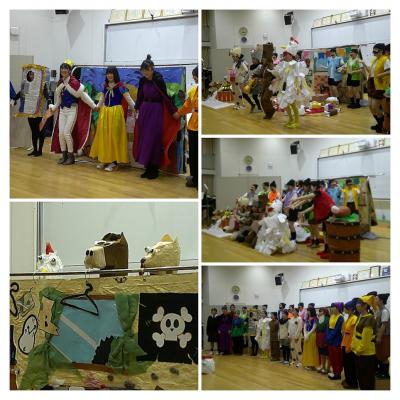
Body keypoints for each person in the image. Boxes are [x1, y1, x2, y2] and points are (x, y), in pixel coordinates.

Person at [133, 55, 180, 180]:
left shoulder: (158, 80)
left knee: (153, 139)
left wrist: (173, 112)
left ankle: (154, 170)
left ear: (152, 69)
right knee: (144, 139)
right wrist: (136, 107)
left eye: (147, 70)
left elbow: (165, 97)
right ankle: (147, 168)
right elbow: (140, 95)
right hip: (145, 110)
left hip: (156, 111)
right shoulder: (142, 81)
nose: (145, 73)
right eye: (143, 70)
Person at [50, 60, 97, 165]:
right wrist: (53, 107)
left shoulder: (75, 83)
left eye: (66, 68)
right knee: (61, 134)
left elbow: (83, 96)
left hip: (72, 110)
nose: (63, 70)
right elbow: (59, 100)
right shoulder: (60, 83)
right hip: (62, 111)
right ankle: (64, 155)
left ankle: (71, 157)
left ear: (69, 70)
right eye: (62, 68)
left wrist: (93, 106)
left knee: (67, 133)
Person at [89, 66, 135, 172]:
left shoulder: (121, 86)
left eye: (111, 73)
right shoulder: (105, 86)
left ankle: (114, 162)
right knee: (104, 137)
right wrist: (97, 107)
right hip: (105, 113)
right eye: (108, 73)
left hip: (116, 113)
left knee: (114, 137)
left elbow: (129, 100)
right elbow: (102, 99)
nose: (109, 75)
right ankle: (105, 159)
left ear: (115, 74)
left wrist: (136, 108)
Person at [269, 37, 312, 128]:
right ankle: (291, 119)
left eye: (286, 55)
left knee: (292, 104)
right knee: (284, 103)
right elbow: (281, 75)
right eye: (284, 55)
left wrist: (298, 87)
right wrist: (276, 78)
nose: (284, 56)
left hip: (292, 88)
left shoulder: (296, 64)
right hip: (284, 87)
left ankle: (297, 121)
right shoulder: (284, 64)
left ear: (291, 55)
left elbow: (299, 76)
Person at [13, 69, 49, 157]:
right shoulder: (27, 84)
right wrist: (14, 99)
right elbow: (21, 93)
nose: (31, 76)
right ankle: (35, 150)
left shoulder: (42, 84)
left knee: (40, 131)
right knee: (33, 131)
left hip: (39, 112)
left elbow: (46, 96)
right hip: (30, 111)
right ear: (28, 76)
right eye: (30, 75)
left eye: (33, 74)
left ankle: (40, 151)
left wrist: (47, 105)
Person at [173, 66, 198, 188]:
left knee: (195, 153)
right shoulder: (193, 90)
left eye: (195, 76)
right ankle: (194, 176)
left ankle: (196, 179)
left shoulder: (197, 90)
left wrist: (178, 114)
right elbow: (187, 106)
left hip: (197, 125)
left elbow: (187, 106)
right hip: (193, 124)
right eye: (194, 77)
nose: (194, 79)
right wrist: (178, 113)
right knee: (193, 153)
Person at [361, 43, 389, 133]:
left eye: (375, 51)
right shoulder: (374, 60)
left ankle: (383, 125)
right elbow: (370, 71)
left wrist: (380, 75)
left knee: (375, 107)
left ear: (381, 51)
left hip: (379, 85)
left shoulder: (385, 59)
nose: (374, 52)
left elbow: (390, 70)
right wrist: (364, 64)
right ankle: (379, 124)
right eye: (373, 51)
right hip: (371, 83)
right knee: (370, 107)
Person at [352, 295, 377, 390]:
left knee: (367, 379)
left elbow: (366, 340)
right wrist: (353, 346)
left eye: (359, 303)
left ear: (365, 305)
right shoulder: (360, 316)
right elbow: (355, 333)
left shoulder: (369, 318)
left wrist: (358, 351)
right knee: (361, 377)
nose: (356, 305)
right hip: (358, 352)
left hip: (366, 354)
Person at [341, 299, 359, 389]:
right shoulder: (349, 317)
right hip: (345, 342)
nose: (344, 310)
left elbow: (353, 334)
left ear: (351, 309)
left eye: (346, 308)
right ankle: (348, 380)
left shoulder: (354, 318)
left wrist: (349, 346)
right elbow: (344, 331)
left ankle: (352, 383)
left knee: (350, 365)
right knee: (346, 364)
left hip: (349, 344)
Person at [326, 302, 345, 380]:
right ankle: (334, 372)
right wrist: (327, 336)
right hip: (330, 339)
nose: (331, 308)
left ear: (337, 308)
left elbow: (337, 330)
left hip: (336, 339)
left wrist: (329, 337)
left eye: (333, 307)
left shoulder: (340, 317)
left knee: (337, 357)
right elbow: (328, 327)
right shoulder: (332, 316)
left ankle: (338, 374)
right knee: (332, 357)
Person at [242, 47, 263, 113]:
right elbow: (248, 74)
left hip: (256, 84)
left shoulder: (260, 66)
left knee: (254, 96)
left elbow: (261, 75)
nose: (252, 60)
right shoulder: (251, 66)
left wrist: (258, 79)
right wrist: (244, 81)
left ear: (258, 59)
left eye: (254, 59)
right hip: (249, 83)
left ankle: (259, 108)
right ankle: (252, 104)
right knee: (244, 94)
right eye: (252, 59)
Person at [375, 293, 390, 379]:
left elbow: (383, 325)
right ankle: (381, 372)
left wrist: (379, 336)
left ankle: (385, 374)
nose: (375, 300)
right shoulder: (379, 310)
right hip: (379, 335)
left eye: (376, 299)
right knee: (380, 355)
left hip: (384, 336)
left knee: (384, 355)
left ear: (381, 301)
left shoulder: (384, 311)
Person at [316, 307, 330, 374]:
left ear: (324, 312)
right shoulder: (319, 319)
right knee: (321, 352)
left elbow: (327, 329)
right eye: (319, 311)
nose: (319, 312)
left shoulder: (327, 319)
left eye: (321, 311)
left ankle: (328, 368)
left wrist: (326, 338)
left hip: (325, 336)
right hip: (319, 336)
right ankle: (322, 366)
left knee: (326, 353)